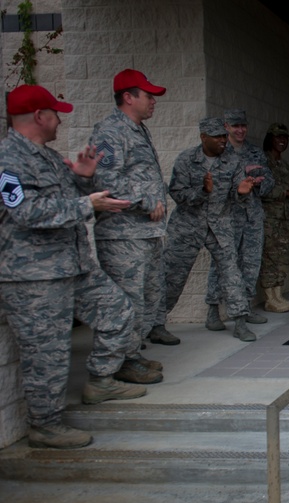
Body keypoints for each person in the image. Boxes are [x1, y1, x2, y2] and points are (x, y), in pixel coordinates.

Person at [0, 85, 148, 448]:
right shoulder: (8, 159)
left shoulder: (47, 157)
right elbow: (25, 212)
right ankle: (45, 425)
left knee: (119, 313)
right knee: (46, 354)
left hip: (74, 265)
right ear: (39, 116)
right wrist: (88, 205)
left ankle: (100, 381)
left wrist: (82, 177)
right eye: (55, 113)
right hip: (34, 277)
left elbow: (68, 197)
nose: (60, 120)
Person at [91, 68, 177, 376]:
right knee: (126, 301)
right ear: (128, 97)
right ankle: (119, 364)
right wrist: (145, 202)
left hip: (145, 232)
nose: (153, 101)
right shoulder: (110, 132)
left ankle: (131, 355)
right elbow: (105, 179)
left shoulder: (138, 129)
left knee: (146, 298)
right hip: (122, 235)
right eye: (148, 95)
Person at [161, 118, 259, 342]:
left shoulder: (232, 159)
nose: (222, 141)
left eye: (223, 136)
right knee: (173, 276)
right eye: (217, 137)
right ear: (203, 137)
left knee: (231, 273)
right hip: (188, 225)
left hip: (219, 224)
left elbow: (236, 192)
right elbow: (177, 193)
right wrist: (203, 191)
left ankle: (240, 321)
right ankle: (155, 323)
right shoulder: (187, 159)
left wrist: (242, 191)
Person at [204, 109, 274, 327]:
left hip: (252, 216)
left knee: (251, 263)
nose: (240, 130)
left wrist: (261, 181)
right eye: (235, 126)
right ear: (226, 127)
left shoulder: (255, 153)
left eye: (243, 125)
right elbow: (210, 188)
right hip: (227, 218)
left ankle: (245, 308)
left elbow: (270, 182)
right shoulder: (218, 154)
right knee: (222, 263)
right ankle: (213, 310)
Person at [260, 122, 289, 313]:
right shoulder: (263, 162)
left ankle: (279, 295)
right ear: (270, 139)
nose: (281, 141)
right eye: (277, 137)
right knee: (269, 259)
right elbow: (262, 190)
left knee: (281, 259)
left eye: (284, 138)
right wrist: (287, 193)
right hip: (268, 220)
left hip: (284, 220)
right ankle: (270, 298)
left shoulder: (285, 165)